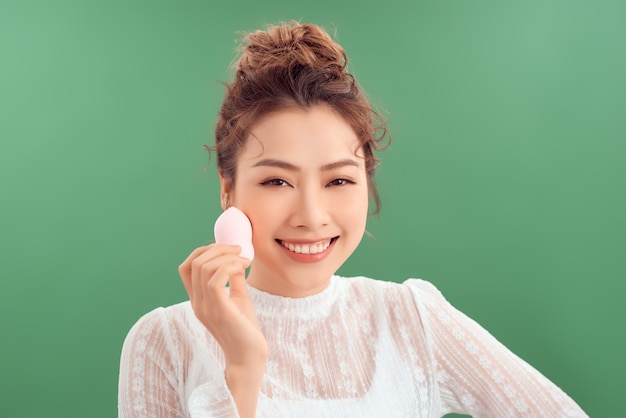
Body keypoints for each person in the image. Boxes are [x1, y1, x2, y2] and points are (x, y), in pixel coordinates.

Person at [118, 21, 588, 418]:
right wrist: (241, 369)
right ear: (228, 192)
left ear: (367, 185)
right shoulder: (164, 341)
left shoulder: (410, 318)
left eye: (338, 181)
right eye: (277, 182)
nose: (311, 216)